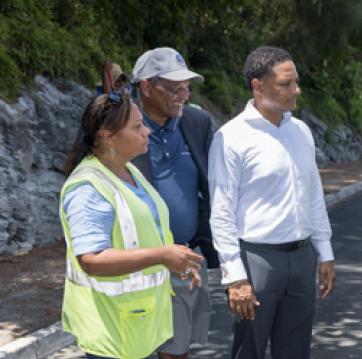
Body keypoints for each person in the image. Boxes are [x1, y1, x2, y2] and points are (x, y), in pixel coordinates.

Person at [208, 46, 335, 359]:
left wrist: (325, 252)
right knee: (248, 350)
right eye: (286, 84)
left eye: (296, 82)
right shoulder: (231, 137)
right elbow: (221, 212)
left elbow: (314, 194)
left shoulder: (301, 131)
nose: (296, 90)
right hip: (257, 261)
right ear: (258, 85)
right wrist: (235, 277)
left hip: (303, 258)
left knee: (295, 351)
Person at [59, 91, 204, 359]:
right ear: (107, 136)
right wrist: (162, 256)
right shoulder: (88, 187)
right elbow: (91, 259)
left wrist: (176, 258)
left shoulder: (128, 171)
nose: (147, 131)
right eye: (137, 127)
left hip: (138, 326)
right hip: (112, 331)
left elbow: (144, 232)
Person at [129, 47, 218, 359]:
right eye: (174, 87)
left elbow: (213, 186)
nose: (183, 94)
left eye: (187, 87)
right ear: (146, 87)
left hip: (183, 257)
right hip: (135, 261)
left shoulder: (197, 122)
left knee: (177, 351)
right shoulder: (121, 126)